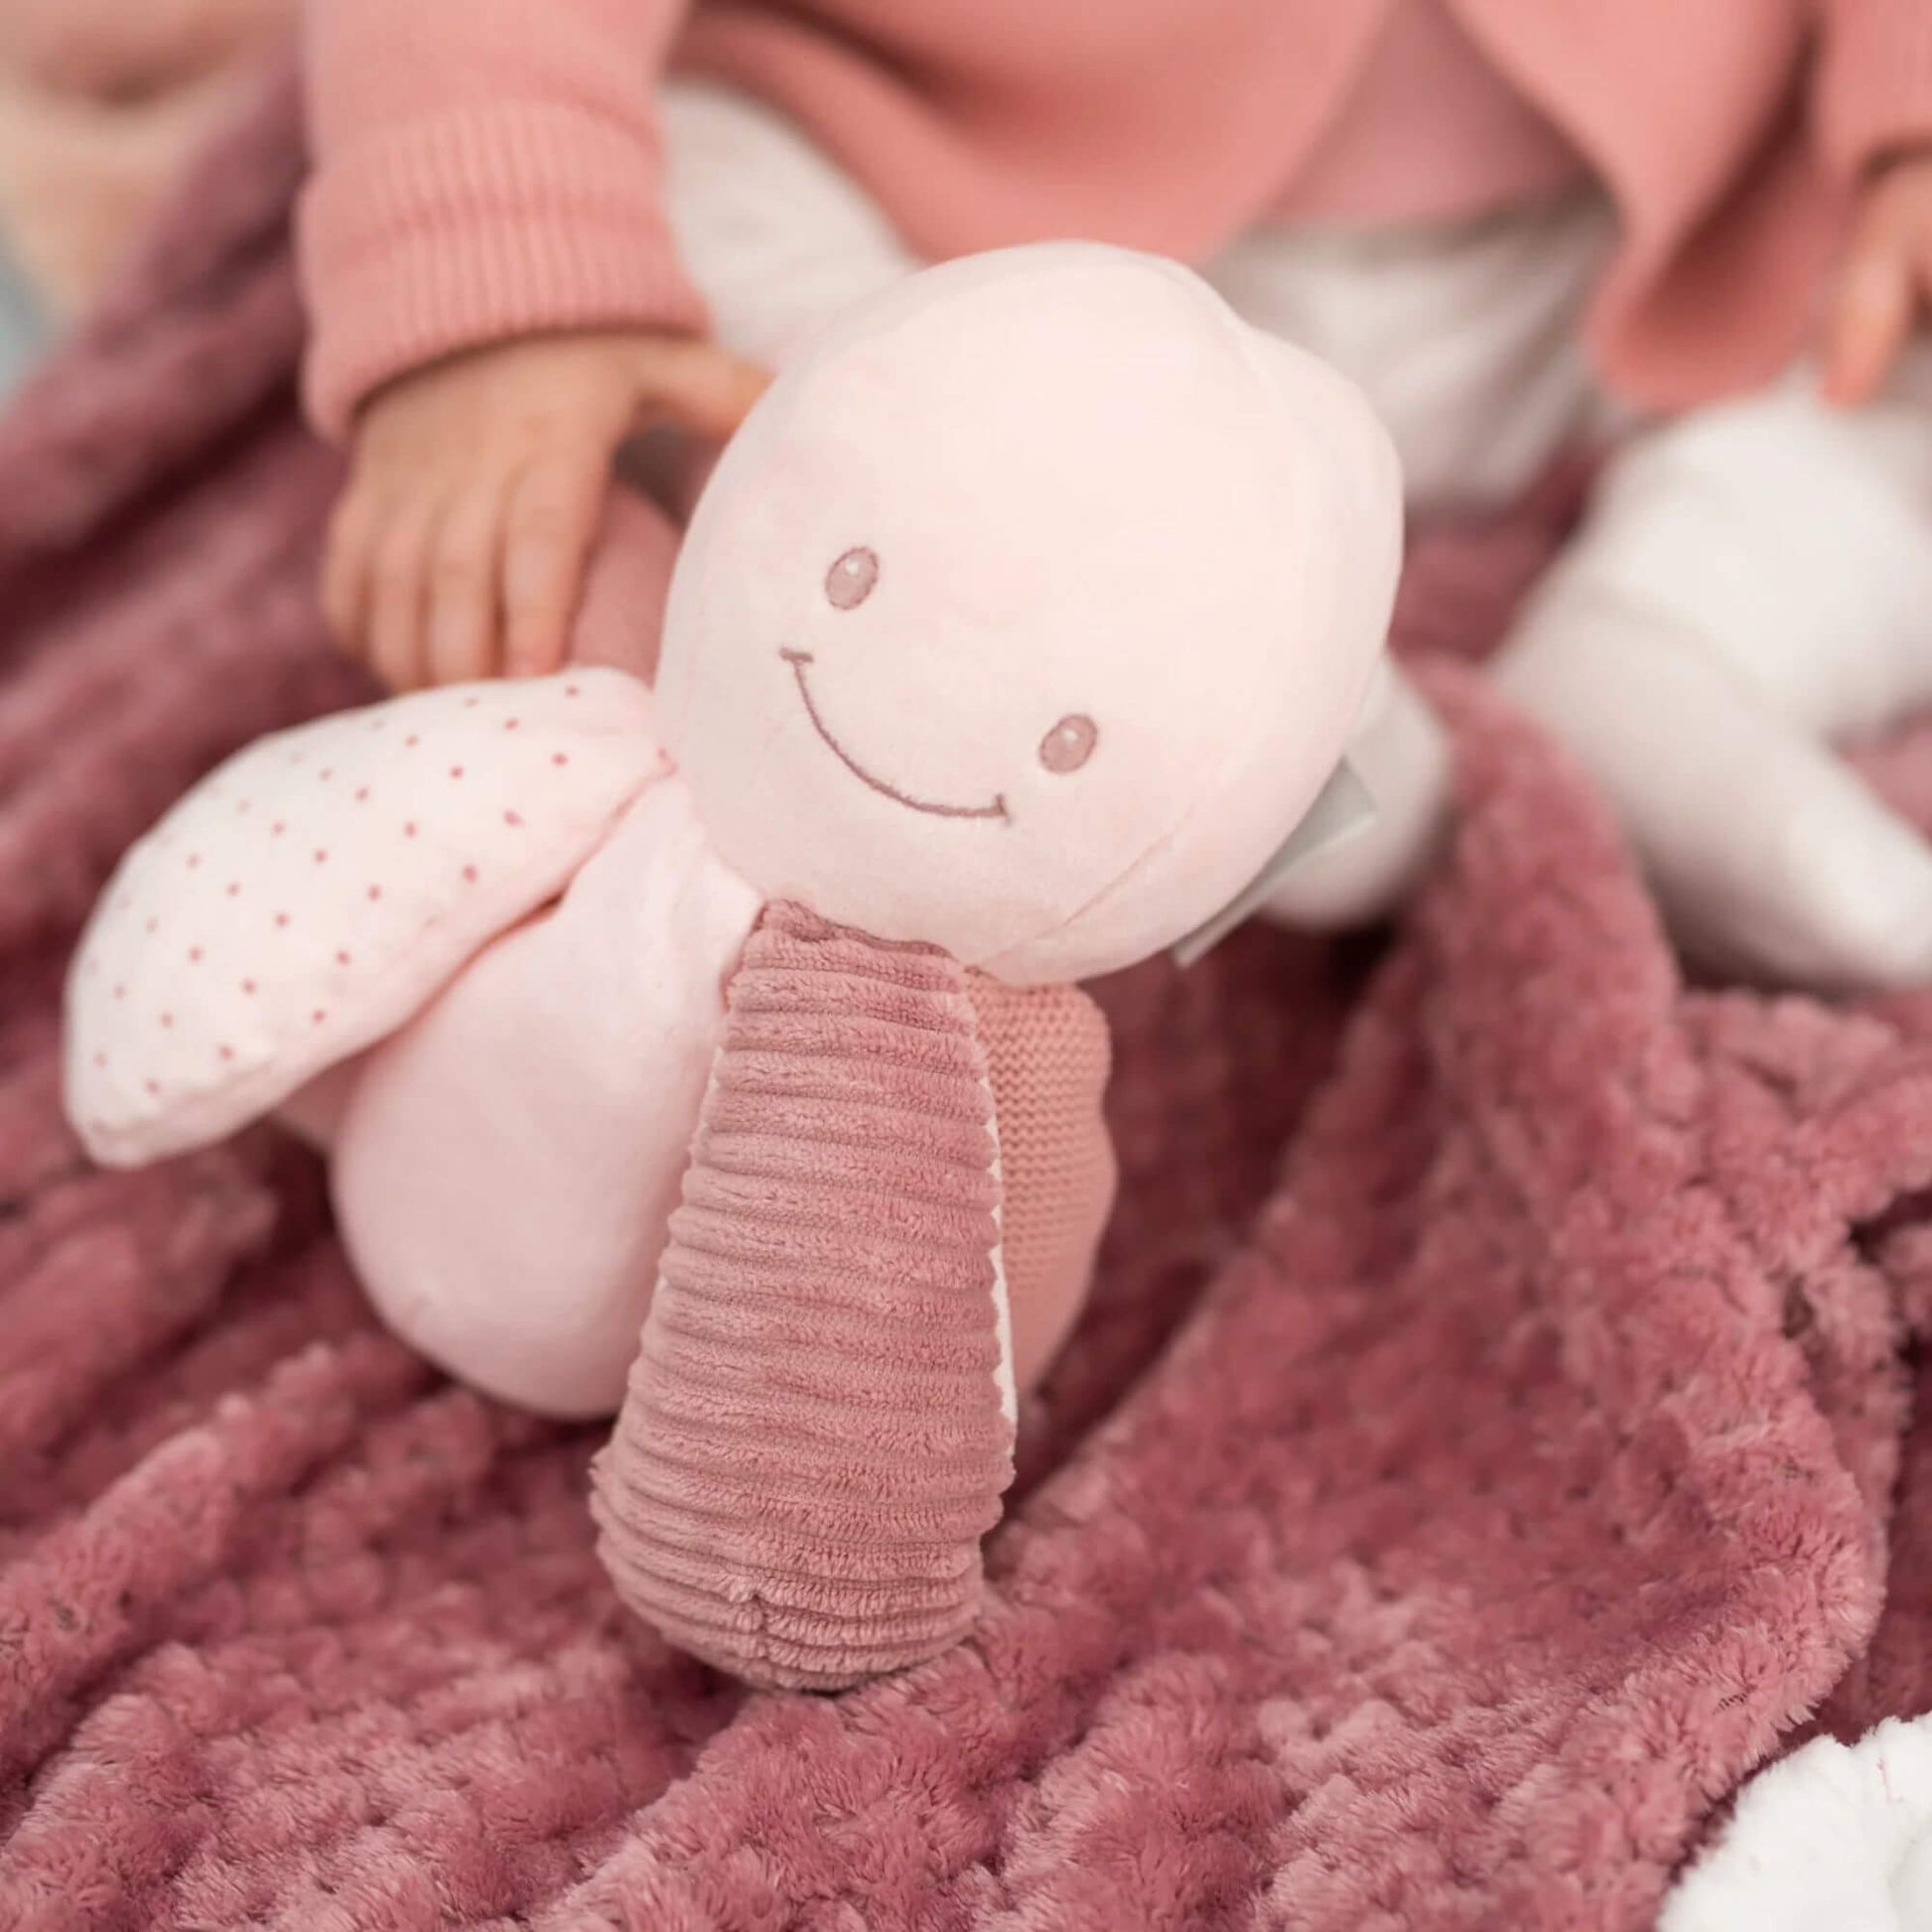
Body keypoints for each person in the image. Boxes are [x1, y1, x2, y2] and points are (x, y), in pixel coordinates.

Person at [299, 0, 1932, 988]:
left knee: (1895, 362)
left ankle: (1680, 639)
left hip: (1638, 227)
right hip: (954, 200)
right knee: (698, 253)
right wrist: (500, 275)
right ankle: (1221, 740)